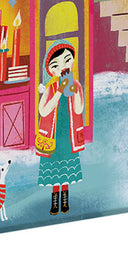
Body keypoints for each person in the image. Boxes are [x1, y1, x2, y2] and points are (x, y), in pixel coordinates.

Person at [36, 40, 86, 216]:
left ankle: (65, 201)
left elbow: (79, 110)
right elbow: (43, 110)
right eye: (56, 65)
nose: (63, 66)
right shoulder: (50, 87)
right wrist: (59, 91)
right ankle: (54, 202)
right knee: (54, 170)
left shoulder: (76, 85)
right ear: (51, 70)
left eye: (67, 60)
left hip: (68, 135)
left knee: (66, 171)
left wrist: (74, 92)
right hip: (53, 135)